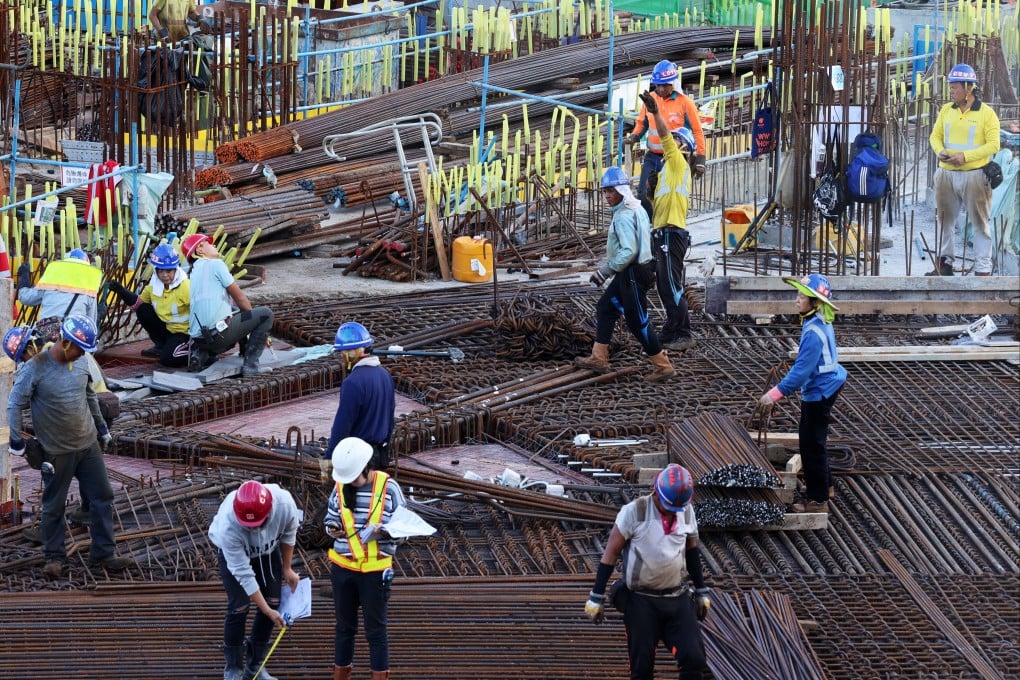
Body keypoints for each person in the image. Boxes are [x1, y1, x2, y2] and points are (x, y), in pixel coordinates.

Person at [6, 315, 130, 579]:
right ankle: (54, 558)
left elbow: (88, 395)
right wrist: (17, 443)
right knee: (54, 505)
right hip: (56, 451)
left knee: (102, 498)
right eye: (78, 348)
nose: (82, 353)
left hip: (87, 446)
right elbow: (14, 404)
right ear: (64, 342)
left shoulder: (81, 359)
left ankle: (104, 553)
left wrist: (101, 428)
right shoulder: (35, 368)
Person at [584, 464, 710, 680]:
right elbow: (611, 553)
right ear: (656, 491)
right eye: (668, 505)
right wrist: (596, 596)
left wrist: (701, 591)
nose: (672, 511)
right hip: (642, 600)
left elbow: (692, 551)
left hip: (676, 598)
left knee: (694, 659)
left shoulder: (686, 511)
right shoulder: (635, 511)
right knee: (642, 667)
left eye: (675, 508)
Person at [574, 167, 675, 383]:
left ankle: (662, 365)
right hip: (631, 272)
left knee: (637, 321)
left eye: (611, 191)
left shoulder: (623, 216)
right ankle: (598, 357)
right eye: (605, 191)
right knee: (606, 307)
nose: (608, 196)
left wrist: (605, 270)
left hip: (633, 274)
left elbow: (629, 251)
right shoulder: (636, 207)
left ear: (621, 190)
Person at [759, 274, 847, 513]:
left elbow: (800, 373)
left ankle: (817, 501)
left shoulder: (812, 332)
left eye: (801, 296)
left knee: (810, 444)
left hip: (821, 391)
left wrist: (774, 394)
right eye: (797, 295)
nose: (796, 300)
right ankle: (825, 486)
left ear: (814, 302)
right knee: (815, 441)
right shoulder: (817, 321)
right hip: (828, 383)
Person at [324, 437, 407, 680]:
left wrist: (386, 532)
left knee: (376, 631)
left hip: (375, 572)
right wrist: (332, 528)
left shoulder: (389, 489)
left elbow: (404, 530)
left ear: (367, 468)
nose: (350, 483)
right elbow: (329, 517)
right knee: (344, 628)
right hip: (343, 570)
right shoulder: (340, 485)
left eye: (354, 478)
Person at [208, 480, 301, 680]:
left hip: (267, 551)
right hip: (236, 555)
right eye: (248, 526)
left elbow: (289, 532)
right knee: (239, 607)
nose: (252, 530)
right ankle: (233, 667)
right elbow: (244, 574)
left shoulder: (284, 504)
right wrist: (267, 612)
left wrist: (287, 568)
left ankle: (255, 665)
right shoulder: (228, 526)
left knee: (273, 601)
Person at [927, 63, 1001, 277]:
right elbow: (935, 136)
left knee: (979, 222)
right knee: (944, 220)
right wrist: (940, 151)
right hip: (946, 174)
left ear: (968, 88)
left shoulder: (986, 114)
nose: (951, 91)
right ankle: (945, 264)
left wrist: (965, 157)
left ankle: (983, 270)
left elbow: (993, 144)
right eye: (951, 87)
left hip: (974, 176)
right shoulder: (946, 111)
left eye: (955, 87)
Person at [639, 90, 699, 352]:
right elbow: (656, 204)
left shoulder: (678, 163)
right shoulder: (667, 172)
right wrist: (650, 192)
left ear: (682, 147)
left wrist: (655, 112)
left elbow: (663, 135)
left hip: (671, 234)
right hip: (662, 232)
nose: (669, 143)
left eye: (675, 141)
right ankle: (672, 328)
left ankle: (683, 332)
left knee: (672, 286)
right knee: (665, 285)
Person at [182, 233, 274, 376]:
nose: (214, 245)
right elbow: (240, 297)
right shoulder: (216, 264)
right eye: (209, 244)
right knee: (265, 314)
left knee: (234, 312)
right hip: (218, 336)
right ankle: (251, 367)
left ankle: (201, 355)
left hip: (199, 339)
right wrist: (252, 323)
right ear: (199, 250)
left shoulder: (193, 272)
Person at [321, 322, 395, 483]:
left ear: (350, 354)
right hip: (377, 457)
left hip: (356, 462)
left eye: (342, 352)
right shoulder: (385, 375)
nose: (341, 357)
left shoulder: (352, 383)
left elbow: (342, 427)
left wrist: (328, 463)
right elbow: (390, 421)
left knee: (349, 506)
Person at [625, 60, 707, 208]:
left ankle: (663, 225)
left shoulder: (685, 103)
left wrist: (700, 157)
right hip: (652, 155)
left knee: (666, 196)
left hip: (673, 159)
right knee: (643, 193)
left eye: (664, 85)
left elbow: (697, 131)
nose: (661, 89)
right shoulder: (650, 100)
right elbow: (642, 124)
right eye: (658, 85)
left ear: (673, 83)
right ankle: (651, 224)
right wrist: (634, 137)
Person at [108, 243, 191, 367]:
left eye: (169, 270)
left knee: (168, 360)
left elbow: (200, 311)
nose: (164, 275)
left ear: (176, 268)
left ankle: (193, 349)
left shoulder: (185, 286)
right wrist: (122, 291)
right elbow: (138, 304)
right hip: (168, 330)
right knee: (143, 309)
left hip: (185, 334)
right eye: (160, 271)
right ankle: (161, 345)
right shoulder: (154, 286)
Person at [17, 248, 99, 343]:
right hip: (71, 340)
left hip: (45, 336)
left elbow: (25, 298)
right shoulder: (89, 289)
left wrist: (24, 276)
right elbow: (90, 322)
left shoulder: (51, 282)